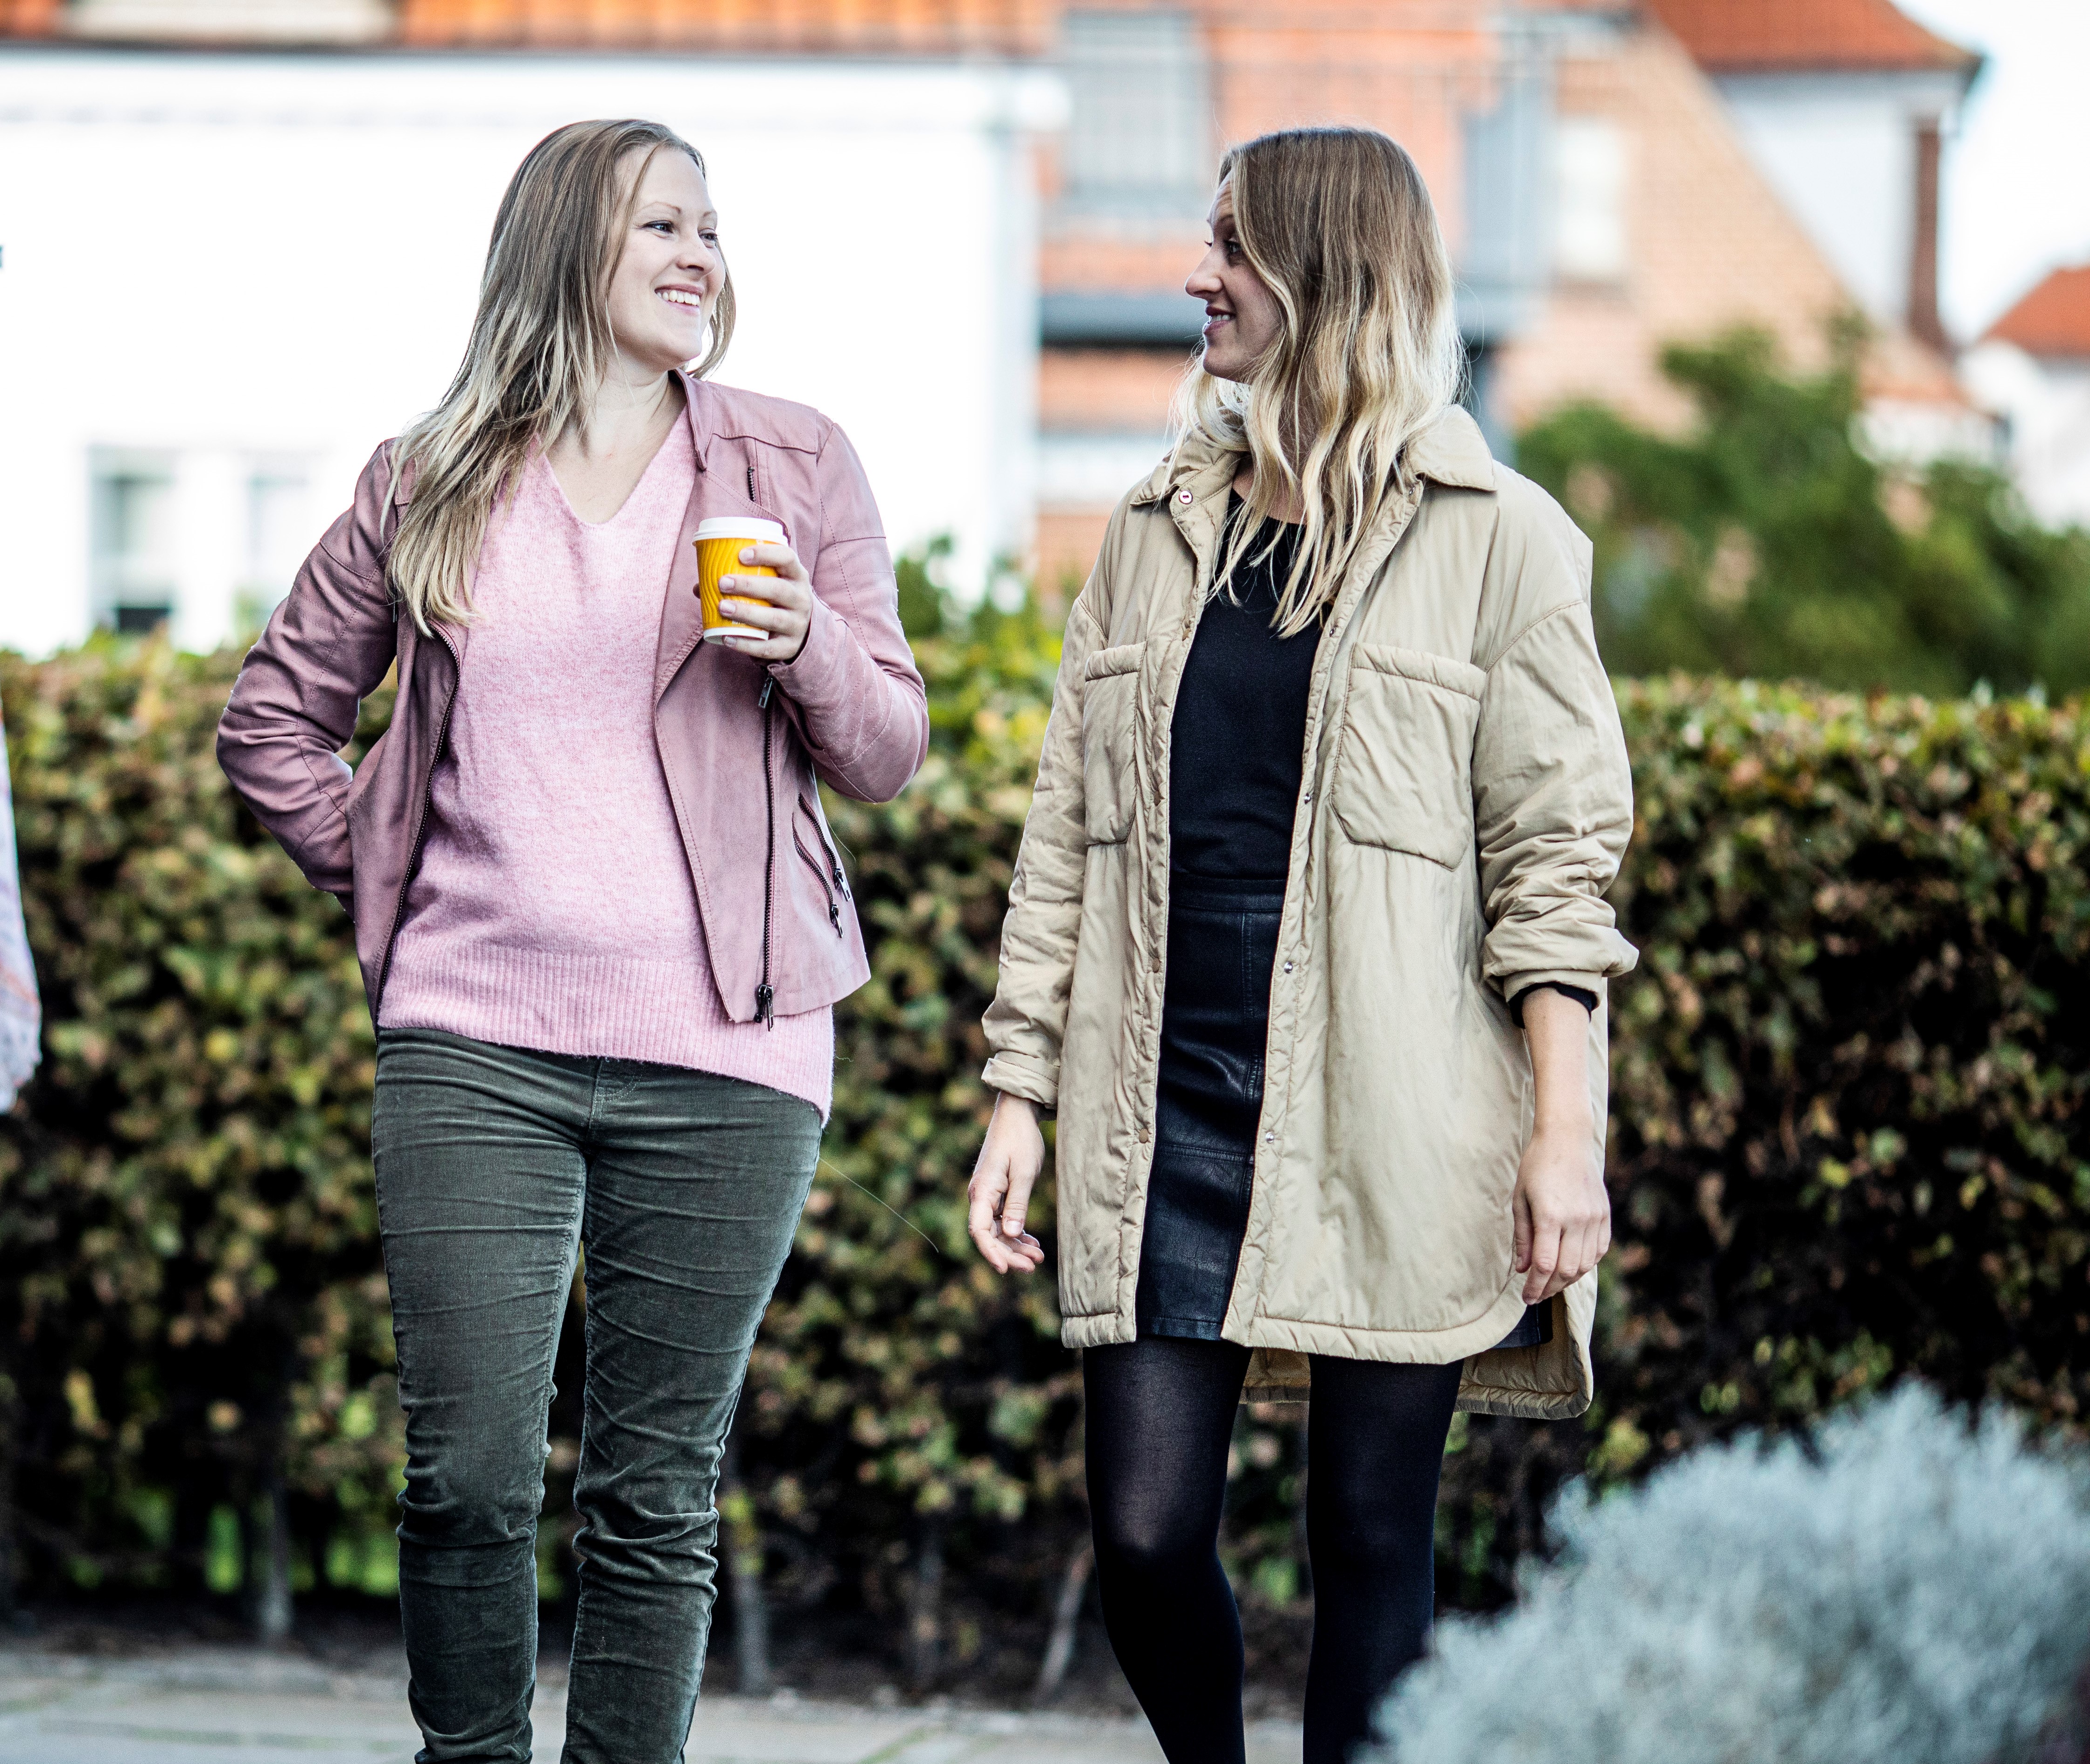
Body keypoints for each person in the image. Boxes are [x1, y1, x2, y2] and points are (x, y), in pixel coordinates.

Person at [218, 119, 925, 1763]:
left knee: (654, 1491)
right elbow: (275, 721)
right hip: (475, 1042)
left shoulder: (793, 465)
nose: (701, 254)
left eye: (711, 228)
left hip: (731, 1053)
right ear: (564, 248)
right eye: (661, 224)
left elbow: (887, 750)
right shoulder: (434, 476)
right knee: (462, 1475)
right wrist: (389, 870)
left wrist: (809, 638)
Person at [962, 126, 1634, 1764]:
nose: (1198, 278)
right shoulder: (1151, 529)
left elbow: (1557, 867)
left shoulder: (1503, 538)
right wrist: (1017, 1091)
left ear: (1329, 278)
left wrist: (1567, 1137)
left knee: (1370, 1540)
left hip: (1392, 1108)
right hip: (1165, 1092)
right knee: (1140, 1533)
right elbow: (1068, 831)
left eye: (1235, 249)